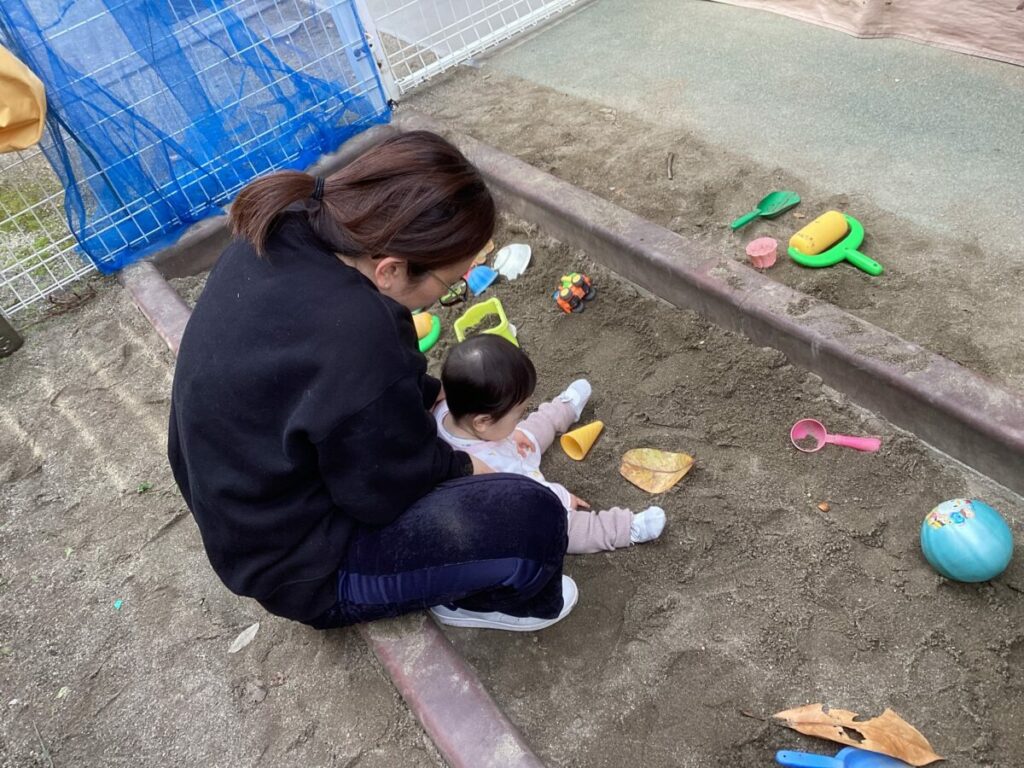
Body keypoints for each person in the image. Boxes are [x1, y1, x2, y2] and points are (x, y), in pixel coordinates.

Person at [168, 131, 576, 632]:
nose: (446, 295)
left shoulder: (283, 225)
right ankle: (482, 598)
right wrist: (480, 468)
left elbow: (342, 393)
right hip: (304, 568)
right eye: (449, 284)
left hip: (245, 513)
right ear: (390, 270)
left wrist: (431, 398)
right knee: (532, 517)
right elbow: (384, 492)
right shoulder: (361, 333)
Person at [433, 334, 666, 558]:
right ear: (483, 421)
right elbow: (525, 495)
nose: (520, 416)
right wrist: (562, 497)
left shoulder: (445, 411)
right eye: (517, 414)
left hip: (507, 446)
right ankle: (626, 529)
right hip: (513, 496)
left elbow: (499, 429)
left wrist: (511, 431)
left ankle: (564, 408)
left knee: (532, 428)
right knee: (562, 527)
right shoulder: (486, 472)